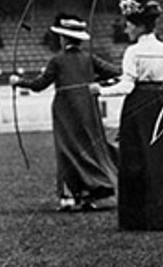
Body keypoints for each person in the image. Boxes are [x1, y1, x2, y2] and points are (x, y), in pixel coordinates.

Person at [95, 0, 163, 231]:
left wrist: (99, 90)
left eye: (129, 24)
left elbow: (127, 85)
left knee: (138, 160)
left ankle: (143, 217)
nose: (126, 29)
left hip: (138, 107)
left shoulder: (133, 51)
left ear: (140, 26)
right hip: (159, 105)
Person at [11, 14, 118, 211]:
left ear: (63, 39)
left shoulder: (57, 61)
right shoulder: (89, 59)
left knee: (66, 149)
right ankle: (90, 193)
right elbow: (116, 72)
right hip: (88, 108)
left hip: (65, 111)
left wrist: (19, 81)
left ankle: (69, 197)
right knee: (89, 147)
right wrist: (99, 81)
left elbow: (39, 85)